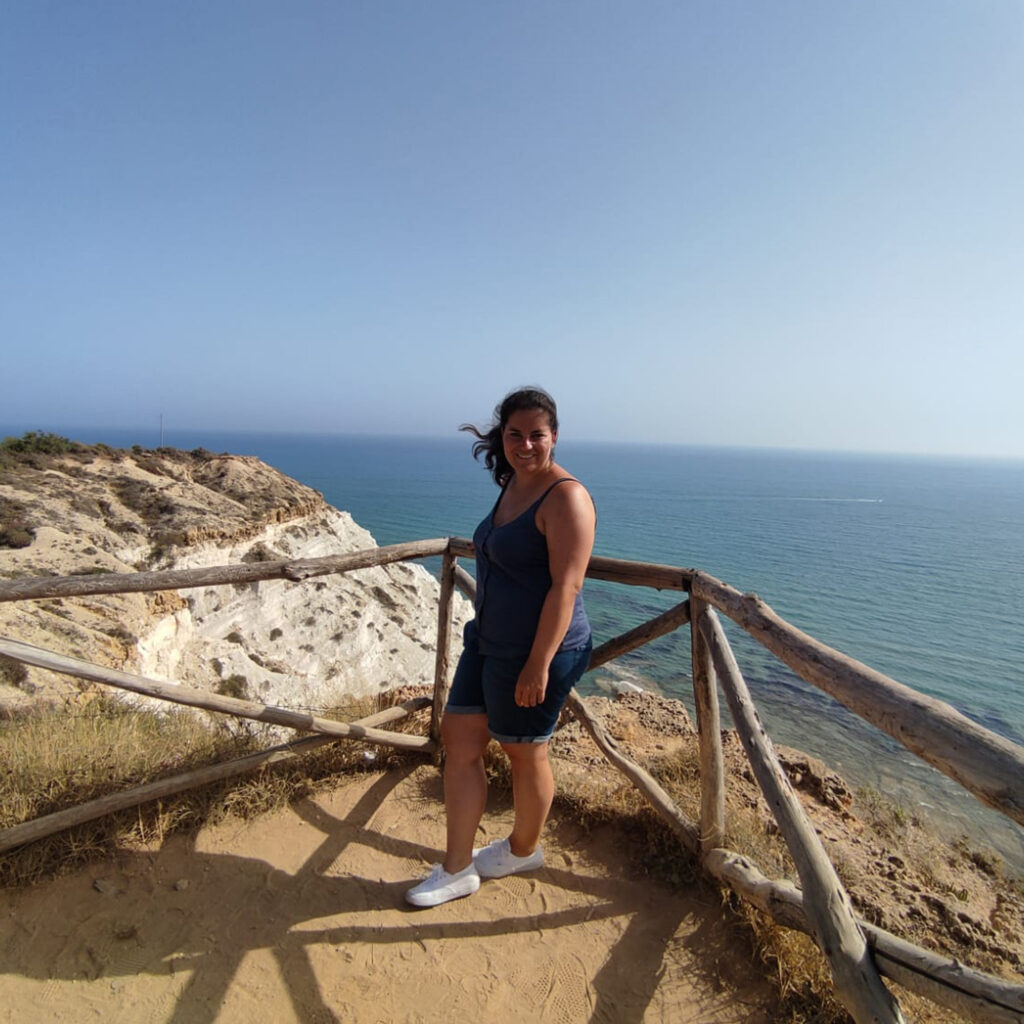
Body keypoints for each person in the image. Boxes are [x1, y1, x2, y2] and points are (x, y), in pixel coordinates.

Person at [406, 387, 596, 908]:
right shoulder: (514, 483)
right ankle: (456, 868)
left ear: (554, 437)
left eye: (537, 435)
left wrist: (538, 664)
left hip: (537, 651)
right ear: (503, 437)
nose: (525, 445)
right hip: (487, 641)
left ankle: (522, 850)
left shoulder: (567, 498)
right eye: (515, 434)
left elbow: (566, 588)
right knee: (460, 743)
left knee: (524, 753)